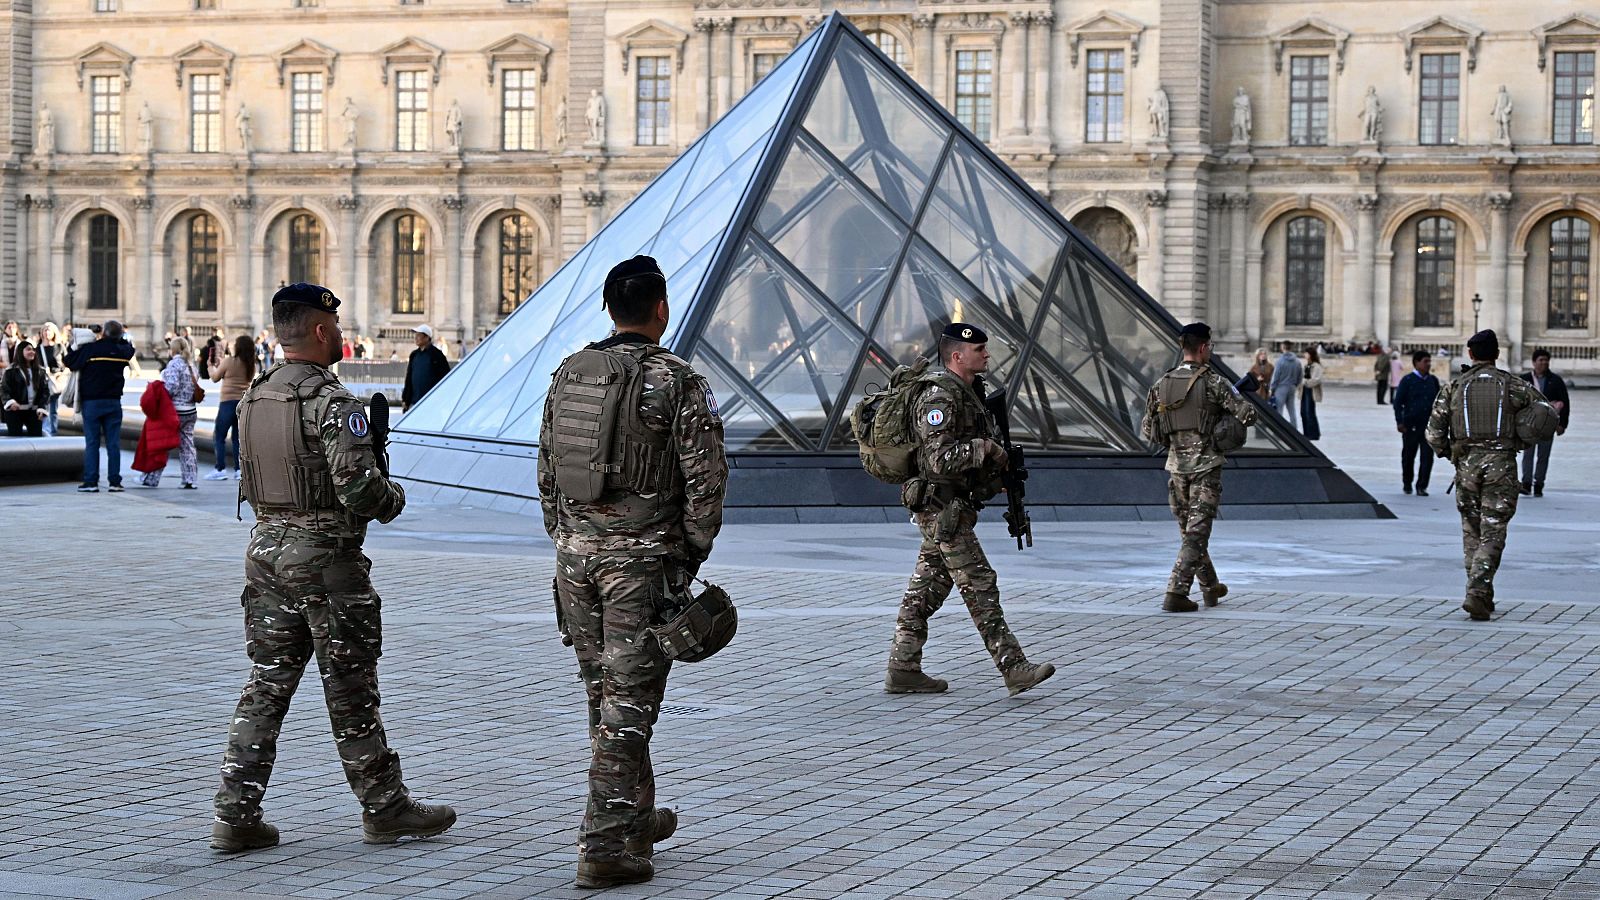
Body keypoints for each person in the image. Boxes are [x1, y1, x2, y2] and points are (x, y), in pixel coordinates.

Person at [211, 282, 456, 854]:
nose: (342, 334)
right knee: (350, 689)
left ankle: (235, 813)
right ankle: (385, 807)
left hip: (265, 553)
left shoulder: (254, 396)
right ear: (321, 331)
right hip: (324, 561)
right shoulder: (333, 403)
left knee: (266, 684)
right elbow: (359, 491)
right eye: (337, 325)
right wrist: (392, 497)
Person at [537, 256, 728, 889]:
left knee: (607, 694)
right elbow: (706, 481)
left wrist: (569, 538)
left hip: (575, 561)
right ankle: (604, 846)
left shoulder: (570, 373)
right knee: (629, 704)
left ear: (609, 308)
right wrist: (688, 553)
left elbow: (546, 469)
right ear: (661, 308)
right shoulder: (677, 380)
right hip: (639, 566)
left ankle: (635, 817)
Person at [885, 322, 1056, 698]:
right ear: (957, 356)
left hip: (952, 507)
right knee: (980, 585)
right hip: (942, 508)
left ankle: (903, 668)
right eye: (979, 349)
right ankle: (1014, 668)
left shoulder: (970, 393)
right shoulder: (939, 398)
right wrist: (986, 449)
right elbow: (940, 460)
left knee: (927, 589)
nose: (987, 354)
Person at [1426, 330, 1542, 622]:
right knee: (1493, 530)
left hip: (1466, 467)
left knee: (1471, 531)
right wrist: (1523, 439)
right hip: (1501, 466)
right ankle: (1478, 591)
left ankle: (1479, 592)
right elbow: (1544, 413)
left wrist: (1451, 454)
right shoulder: (1514, 385)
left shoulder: (1454, 387)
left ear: (1470, 353)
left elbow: (1434, 433)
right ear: (1496, 354)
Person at [1142, 323, 1259, 613]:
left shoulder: (1162, 384)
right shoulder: (1214, 382)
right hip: (1206, 467)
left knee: (1191, 532)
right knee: (1196, 534)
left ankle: (1210, 587)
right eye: (1211, 347)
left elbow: (1147, 429)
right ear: (1204, 347)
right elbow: (1248, 415)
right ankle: (1176, 592)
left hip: (1175, 468)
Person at [65, 319, 136, 492]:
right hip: (113, 401)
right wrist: (116, 336)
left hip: (92, 402)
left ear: (103, 333)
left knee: (92, 443)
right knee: (113, 444)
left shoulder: (91, 349)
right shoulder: (122, 351)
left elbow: (69, 361)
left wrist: (90, 337)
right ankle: (114, 482)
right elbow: (130, 348)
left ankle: (91, 482)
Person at [140, 337, 199, 489]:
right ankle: (190, 479)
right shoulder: (191, 365)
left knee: (161, 444)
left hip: (174, 412)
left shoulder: (174, 364)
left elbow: (171, 386)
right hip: (190, 410)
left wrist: (157, 389)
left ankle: (151, 478)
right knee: (187, 446)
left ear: (173, 349)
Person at [1519, 349, 1570, 497]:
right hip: (1529, 425)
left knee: (1543, 455)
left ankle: (1539, 484)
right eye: (1541, 360)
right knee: (1528, 454)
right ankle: (1526, 482)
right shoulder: (1524, 380)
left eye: (1546, 360)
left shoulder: (1556, 380)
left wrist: (1562, 424)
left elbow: (1565, 402)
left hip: (1548, 425)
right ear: (1534, 362)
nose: (1544, 363)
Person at [205, 335, 256, 481]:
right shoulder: (251, 365)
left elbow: (215, 377)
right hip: (243, 404)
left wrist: (210, 366)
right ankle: (238, 470)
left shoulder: (229, 361)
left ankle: (220, 469)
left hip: (227, 402)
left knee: (219, 436)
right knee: (237, 438)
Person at [1392, 350, 1439, 496]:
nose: (1428, 364)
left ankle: (1422, 486)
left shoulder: (1433, 381)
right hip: (1410, 425)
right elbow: (1398, 403)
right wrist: (1400, 421)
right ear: (1416, 363)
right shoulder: (1407, 380)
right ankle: (1407, 483)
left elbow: (1439, 403)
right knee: (1408, 456)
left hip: (1428, 426)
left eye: (1429, 361)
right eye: (1425, 361)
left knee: (1427, 457)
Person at [1, 341, 51, 436]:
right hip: (15, 411)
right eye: (28, 349)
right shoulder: (11, 370)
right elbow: (4, 389)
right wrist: (10, 402)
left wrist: (42, 407)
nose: (32, 352)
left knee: (36, 437)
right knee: (15, 438)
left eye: (33, 350)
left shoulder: (40, 371)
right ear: (20, 351)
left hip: (34, 411)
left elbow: (45, 391)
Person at [400, 324, 450, 412]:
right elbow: (409, 378)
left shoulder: (437, 355)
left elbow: (445, 377)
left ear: (427, 337)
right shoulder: (414, 355)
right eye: (416, 335)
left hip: (431, 403)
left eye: (419, 335)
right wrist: (405, 398)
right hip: (414, 401)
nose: (416, 338)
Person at [36, 322, 68, 436]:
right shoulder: (38, 349)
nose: (47, 332)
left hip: (57, 381)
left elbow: (67, 363)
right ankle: (44, 430)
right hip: (43, 381)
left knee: (54, 408)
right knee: (44, 406)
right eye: (45, 330)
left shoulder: (59, 347)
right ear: (41, 333)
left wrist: (61, 373)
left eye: (49, 330)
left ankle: (53, 432)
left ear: (54, 332)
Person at [1268, 342, 1303, 427]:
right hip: (1292, 387)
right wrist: (1295, 385)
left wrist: (1272, 388)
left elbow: (1276, 377)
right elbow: (1300, 376)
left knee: (1279, 410)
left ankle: (1279, 429)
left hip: (1281, 387)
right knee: (1292, 410)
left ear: (1283, 347)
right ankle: (1294, 428)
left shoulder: (1280, 361)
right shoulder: (1297, 361)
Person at [1299, 346, 1323, 441]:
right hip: (1304, 391)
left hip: (1311, 391)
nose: (1304, 355)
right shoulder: (1306, 365)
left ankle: (1313, 434)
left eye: (1306, 353)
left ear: (1310, 354)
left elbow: (1317, 380)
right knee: (1303, 412)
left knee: (1310, 412)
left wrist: (1305, 382)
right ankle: (1306, 433)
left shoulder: (1317, 366)